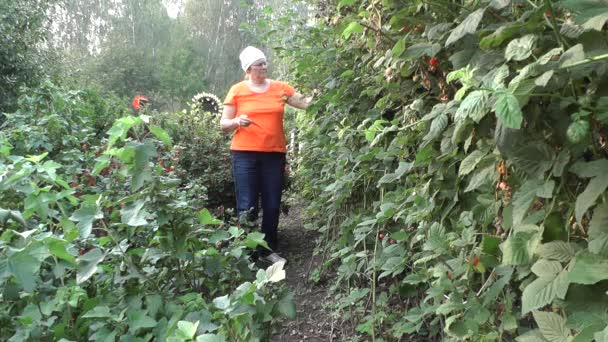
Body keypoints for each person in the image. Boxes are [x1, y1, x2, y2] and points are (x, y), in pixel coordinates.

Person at [220, 46, 311, 264]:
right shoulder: (237, 90)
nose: (264, 66)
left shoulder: (280, 88)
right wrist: (236, 122)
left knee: (272, 203)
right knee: (247, 203)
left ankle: (268, 250)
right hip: (244, 155)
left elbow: (305, 103)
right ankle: (249, 252)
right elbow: (223, 124)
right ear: (249, 68)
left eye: (264, 62)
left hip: (273, 154)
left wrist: (320, 93)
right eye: (259, 63)